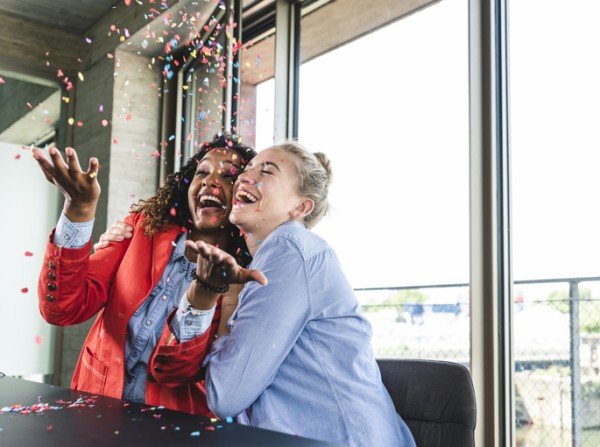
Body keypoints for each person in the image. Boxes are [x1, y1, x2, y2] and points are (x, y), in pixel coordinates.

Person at [182, 142, 417, 447]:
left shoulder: (288, 247)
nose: (244, 177)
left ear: (300, 208)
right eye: (247, 169)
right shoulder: (278, 257)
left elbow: (225, 396)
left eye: (266, 170)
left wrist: (227, 306)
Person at [32, 133, 256, 416]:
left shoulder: (240, 280)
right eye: (202, 171)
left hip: (173, 427)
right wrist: (78, 210)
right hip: (94, 410)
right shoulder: (140, 229)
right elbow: (61, 307)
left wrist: (205, 293)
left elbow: (178, 371)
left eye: (228, 177)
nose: (210, 181)